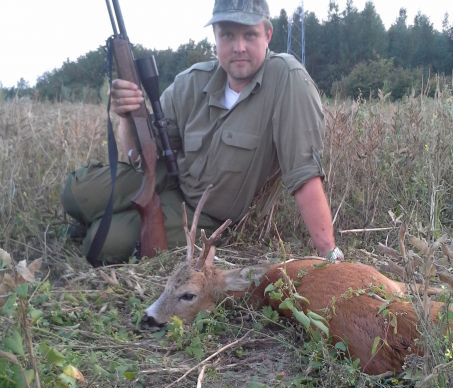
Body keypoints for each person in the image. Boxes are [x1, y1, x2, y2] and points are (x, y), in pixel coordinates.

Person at [61, 0, 344, 264]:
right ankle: (100, 216)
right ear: (215, 38)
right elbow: (140, 155)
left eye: (249, 35)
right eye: (227, 35)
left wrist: (329, 254)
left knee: (102, 242)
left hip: (205, 216)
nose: (239, 47)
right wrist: (127, 116)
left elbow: (304, 174)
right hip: (166, 178)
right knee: (75, 192)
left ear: (267, 34)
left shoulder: (287, 79)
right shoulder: (192, 81)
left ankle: (99, 224)